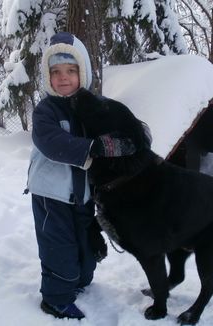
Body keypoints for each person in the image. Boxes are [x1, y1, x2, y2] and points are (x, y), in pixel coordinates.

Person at [26, 31, 136, 320]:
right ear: (47, 76)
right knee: (59, 247)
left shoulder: (90, 106)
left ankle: (79, 279)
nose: (63, 78)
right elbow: (51, 142)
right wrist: (93, 148)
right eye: (56, 72)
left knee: (86, 245)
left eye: (71, 71)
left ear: (83, 71)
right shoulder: (45, 111)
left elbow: (110, 129)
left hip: (83, 194)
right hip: (52, 195)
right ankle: (55, 299)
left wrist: (122, 144)